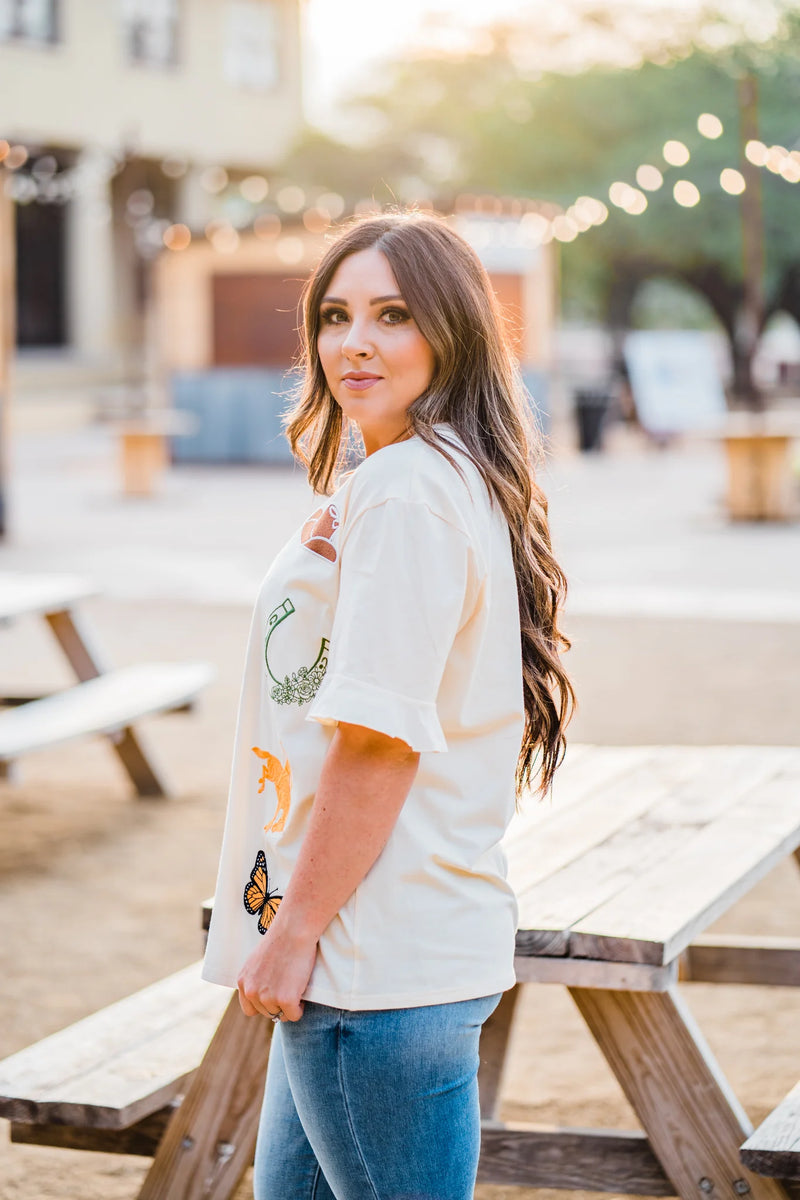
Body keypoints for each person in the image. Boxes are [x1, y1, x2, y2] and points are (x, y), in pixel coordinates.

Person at [202, 210, 574, 1200]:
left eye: (392, 315)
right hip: (389, 952)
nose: (353, 343)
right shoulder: (434, 473)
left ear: (449, 331)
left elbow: (375, 747)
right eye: (334, 315)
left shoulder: (408, 488)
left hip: (368, 965)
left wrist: (289, 935)